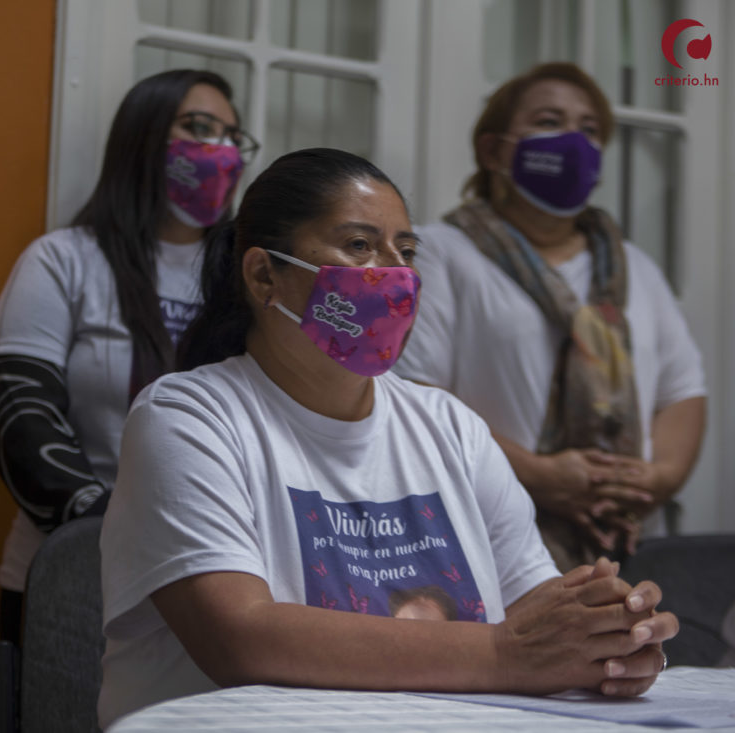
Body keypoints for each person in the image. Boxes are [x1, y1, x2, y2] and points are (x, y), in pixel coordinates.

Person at [97, 148, 677, 729]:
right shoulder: (188, 420)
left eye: (407, 251)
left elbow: (539, 618)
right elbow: (241, 638)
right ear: (264, 276)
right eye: (359, 245)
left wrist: (607, 639)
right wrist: (504, 653)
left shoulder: (451, 428)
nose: (396, 274)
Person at [0, 68, 259, 644]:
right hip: (73, 574)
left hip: (220, 579)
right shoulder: (65, 260)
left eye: (233, 137)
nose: (221, 150)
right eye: (198, 127)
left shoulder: (248, 279)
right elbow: (19, 416)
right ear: (143, 134)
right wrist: (114, 529)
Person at [394, 62, 706, 572]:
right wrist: (539, 476)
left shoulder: (635, 268)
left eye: (589, 128)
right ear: (493, 151)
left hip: (629, 548)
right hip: (492, 541)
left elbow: (682, 391)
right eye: (549, 121)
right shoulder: (439, 253)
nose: (574, 141)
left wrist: (656, 479)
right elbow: (414, 396)